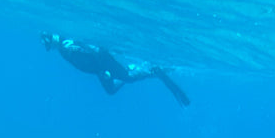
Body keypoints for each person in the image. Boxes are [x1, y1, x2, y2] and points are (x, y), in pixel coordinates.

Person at [40, 32, 191, 106]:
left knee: (128, 77)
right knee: (111, 89)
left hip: (102, 64)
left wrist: (105, 66)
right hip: (100, 69)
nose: (49, 47)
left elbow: (92, 50)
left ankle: (154, 71)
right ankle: (140, 70)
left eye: (48, 44)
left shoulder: (67, 46)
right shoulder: (63, 49)